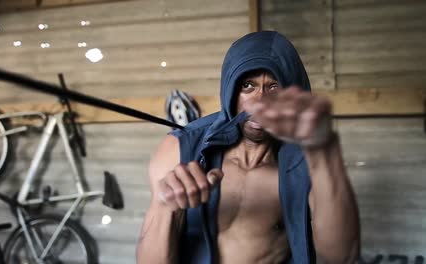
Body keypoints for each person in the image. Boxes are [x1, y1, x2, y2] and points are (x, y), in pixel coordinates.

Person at [136, 31, 360, 264]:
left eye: (274, 87)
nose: (259, 102)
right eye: (247, 85)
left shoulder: (309, 161)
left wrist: (326, 151)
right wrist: (167, 208)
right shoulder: (179, 149)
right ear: (230, 89)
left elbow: (342, 256)